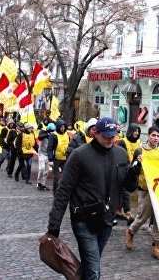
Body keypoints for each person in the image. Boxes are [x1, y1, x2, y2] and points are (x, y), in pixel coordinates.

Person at [46, 117, 140, 280]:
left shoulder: (121, 154)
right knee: (94, 270)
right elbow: (64, 190)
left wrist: (133, 173)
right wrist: (54, 224)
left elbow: (128, 187)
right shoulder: (79, 155)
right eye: (106, 136)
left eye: (113, 136)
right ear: (95, 133)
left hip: (107, 220)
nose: (110, 140)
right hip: (83, 220)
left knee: (91, 265)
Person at [125, 126, 159, 261]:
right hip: (145, 189)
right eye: (153, 135)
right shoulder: (140, 150)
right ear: (148, 136)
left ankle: (157, 246)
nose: (156, 138)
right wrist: (138, 163)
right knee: (143, 216)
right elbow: (131, 170)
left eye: (158, 136)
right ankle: (131, 231)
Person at [116, 123, 142, 223]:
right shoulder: (123, 142)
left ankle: (118, 210)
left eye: (138, 131)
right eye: (135, 131)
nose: (136, 133)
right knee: (124, 190)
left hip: (133, 170)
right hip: (124, 169)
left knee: (125, 190)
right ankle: (127, 212)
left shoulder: (139, 142)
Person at [47, 119, 70, 194]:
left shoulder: (67, 135)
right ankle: (55, 190)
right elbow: (49, 148)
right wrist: (50, 160)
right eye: (61, 127)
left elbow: (69, 146)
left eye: (64, 127)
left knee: (65, 175)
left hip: (65, 158)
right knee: (56, 176)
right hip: (55, 158)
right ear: (58, 127)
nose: (63, 128)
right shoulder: (53, 135)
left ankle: (62, 189)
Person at [36, 122, 55, 191]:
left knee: (46, 171)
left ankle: (43, 184)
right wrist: (47, 134)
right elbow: (39, 137)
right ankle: (38, 182)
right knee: (41, 168)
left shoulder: (53, 136)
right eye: (52, 131)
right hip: (41, 153)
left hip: (48, 155)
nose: (53, 132)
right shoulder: (43, 132)